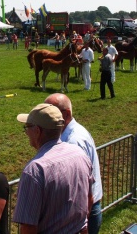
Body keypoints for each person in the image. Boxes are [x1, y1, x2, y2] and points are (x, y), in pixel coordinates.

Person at [13, 103, 94, 233]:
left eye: (27, 127)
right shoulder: (80, 154)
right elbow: (89, 199)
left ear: (37, 131)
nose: (26, 132)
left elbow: (28, 227)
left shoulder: (35, 170)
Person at [44, 93, 103, 233]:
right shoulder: (72, 133)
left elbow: (79, 186)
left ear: (66, 114)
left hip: (82, 211)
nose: (45, 116)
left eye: (51, 111)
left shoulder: (73, 141)